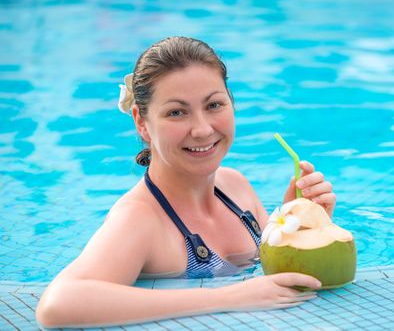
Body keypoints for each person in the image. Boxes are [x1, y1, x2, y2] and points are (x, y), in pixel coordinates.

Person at [36, 36, 337, 328]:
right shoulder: (141, 218)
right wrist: (227, 297)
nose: (202, 129)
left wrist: (296, 225)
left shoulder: (235, 186)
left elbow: (273, 280)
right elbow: (58, 305)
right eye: (177, 112)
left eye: (214, 105)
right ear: (141, 122)